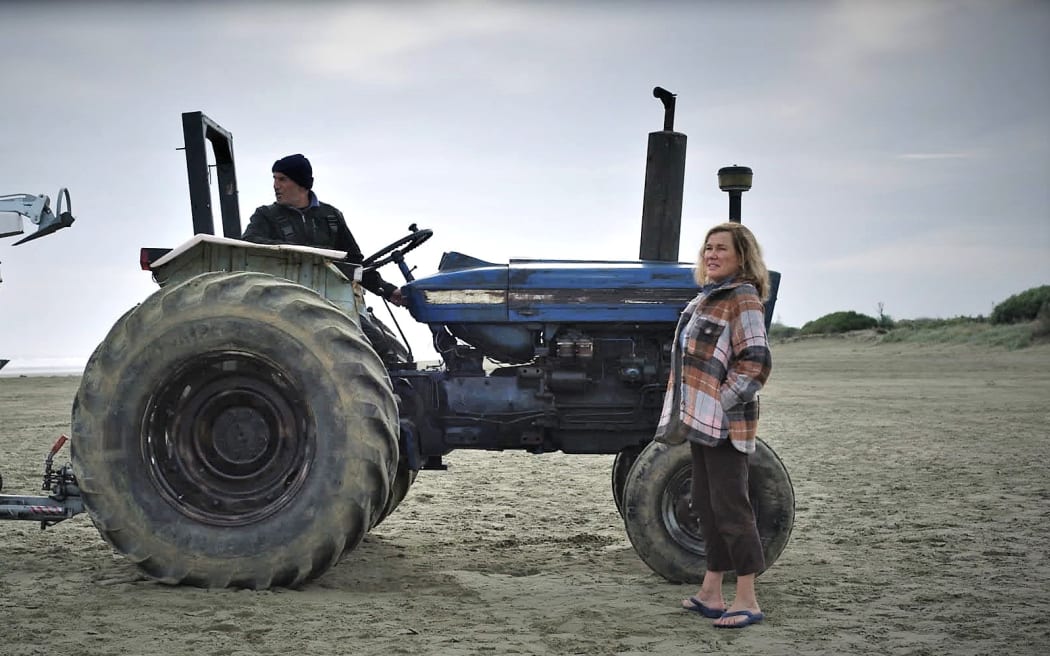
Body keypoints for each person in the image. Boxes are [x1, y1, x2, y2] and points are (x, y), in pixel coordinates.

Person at [654, 221, 773, 629]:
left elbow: (756, 363)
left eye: (722, 248)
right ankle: (711, 591)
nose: (712, 254)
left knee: (732, 510)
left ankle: (748, 599)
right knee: (705, 505)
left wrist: (720, 404)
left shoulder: (743, 298)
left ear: (742, 257)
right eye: (708, 248)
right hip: (699, 422)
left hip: (724, 423)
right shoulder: (706, 299)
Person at [242, 153, 406, 360]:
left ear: (301, 183)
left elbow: (354, 263)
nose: (276, 185)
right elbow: (250, 244)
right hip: (284, 304)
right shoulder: (266, 216)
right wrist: (304, 251)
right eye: (274, 179)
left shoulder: (330, 217)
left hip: (331, 301)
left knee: (380, 346)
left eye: (282, 179)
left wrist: (389, 291)